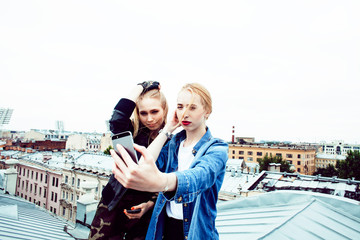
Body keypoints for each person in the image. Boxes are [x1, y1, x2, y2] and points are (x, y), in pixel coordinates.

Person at [111, 83, 229, 240]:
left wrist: (162, 181)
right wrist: (168, 128)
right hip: (164, 229)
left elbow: (198, 177)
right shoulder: (173, 144)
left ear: (207, 111)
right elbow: (143, 165)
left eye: (192, 108)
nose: (184, 113)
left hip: (196, 232)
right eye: (180, 107)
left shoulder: (217, 148)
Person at [89, 81, 168, 240]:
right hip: (112, 205)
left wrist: (149, 205)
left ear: (165, 111)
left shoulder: (171, 142)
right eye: (143, 113)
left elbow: (168, 179)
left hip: (144, 214)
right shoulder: (133, 131)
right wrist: (141, 87)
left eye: (154, 111)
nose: (149, 119)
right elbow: (117, 118)